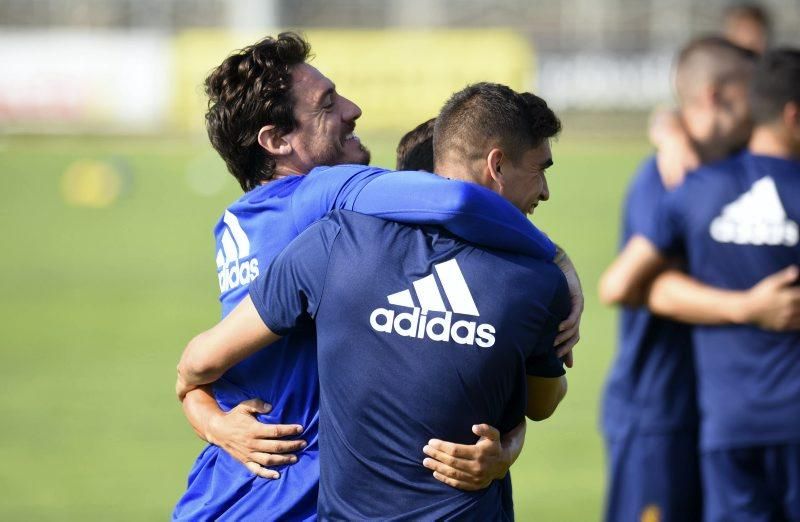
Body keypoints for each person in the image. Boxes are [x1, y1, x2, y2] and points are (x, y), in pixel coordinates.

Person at [174, 33, 583, 520]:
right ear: (277, 140)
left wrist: (210, 421)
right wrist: (555, 261)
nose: (353, 109)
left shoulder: (238, 221)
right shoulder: (322, 196)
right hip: (287, 497)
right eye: (328, 104)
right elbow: (455, 198)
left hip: (219, 492)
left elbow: (196, 371)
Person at [602, 48, 800, 522]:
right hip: (660, 408)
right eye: (748, 92)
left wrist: (667, 127)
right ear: (718, 98)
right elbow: (630, 285)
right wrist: (745, 308)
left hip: (721, 410)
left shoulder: (720, 169)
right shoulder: (666, 178)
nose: (759, 104)